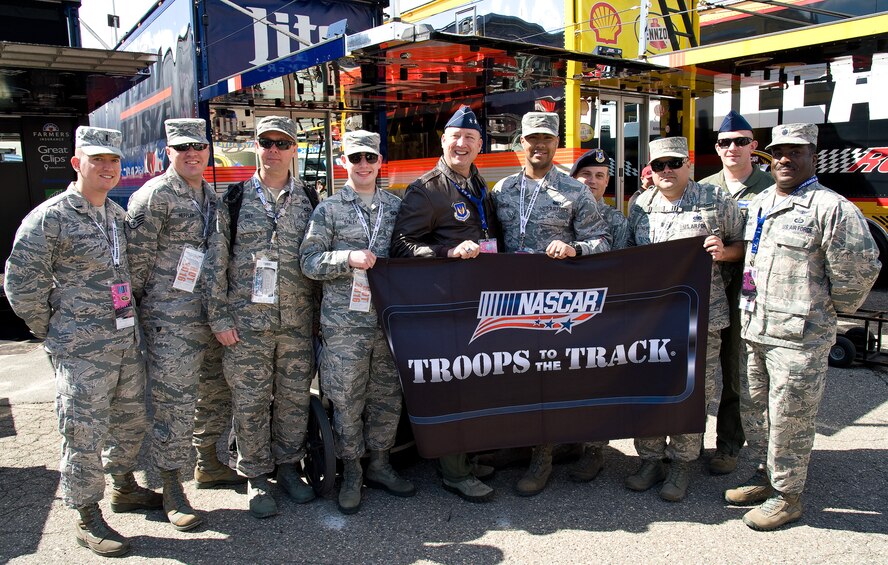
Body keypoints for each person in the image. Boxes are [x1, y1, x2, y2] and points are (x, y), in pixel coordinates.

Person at [5, 127, 160, 557]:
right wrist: (54, 328)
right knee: (83, 429)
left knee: (129, 419)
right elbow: (21, 283)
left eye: (113, 161)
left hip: (126, 340)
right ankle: (86, 513)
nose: (107, 168)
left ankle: (125, 486)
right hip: (81, 347)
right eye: (97, 161)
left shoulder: (115, 213)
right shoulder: (50, 217)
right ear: (77, 164)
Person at [726, 123, 879, 530]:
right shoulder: (761, 202)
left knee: (791, 416)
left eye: (796, 152)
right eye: (779, 152)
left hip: (799, 337)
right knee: (756, 411)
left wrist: (827, 311)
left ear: (814, 156)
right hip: (756, 327)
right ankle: (765, 475)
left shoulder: (832, 208)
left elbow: (860, 269)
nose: (785, 160)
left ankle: (787, 496)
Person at [126, 119, 244, 532]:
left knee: (214, 392)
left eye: (199, 146)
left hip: (212, 315)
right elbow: (134, 268)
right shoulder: (154, 197)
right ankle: (172, 486)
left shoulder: (209, 194)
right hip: (170, 320)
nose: (192, 153)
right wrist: (150, 314)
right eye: (183, 148)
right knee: (173, 405)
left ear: (208, 150)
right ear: (168, 153)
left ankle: (208, 462)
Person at [491, 113, 612, 496]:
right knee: (521, 380)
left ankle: (544, 458)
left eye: (546, 138)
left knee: (553, 379)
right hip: (513, 304)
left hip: (559, 307)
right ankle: (527, 444)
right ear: (520, 143)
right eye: (531, 138)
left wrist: (574, 247)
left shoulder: (574, 191)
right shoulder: (503, 190)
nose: (538, 145)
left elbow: (602, 241)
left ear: (556, 142)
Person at [206, 115, 318, 519]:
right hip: (246, 327)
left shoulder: (310, 198)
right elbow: (215, 263)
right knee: (250, 402)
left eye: (281, 143)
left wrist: (318, 321)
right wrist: (219, 318)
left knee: (292, 401)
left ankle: (288, 468)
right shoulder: (232, 200)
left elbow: (316, 261)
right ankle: (255, 476)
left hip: (296, 323)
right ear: (256, 146)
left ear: (293, 150)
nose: (273, 150)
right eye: (266, 142)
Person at [390, 105, 499, 503]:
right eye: (456, 136)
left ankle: (465, 459)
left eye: (470, 138)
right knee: (454, 383)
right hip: (445, 303)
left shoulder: (477, 184)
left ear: (479, 146)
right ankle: (454, 472)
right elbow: (401, 247)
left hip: (477, 301)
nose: (462, 143)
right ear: (443, 140)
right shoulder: (428, 188)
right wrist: (448, 252)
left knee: (475, 381)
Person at [300, 130, 413, 514]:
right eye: (355, 158)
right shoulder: (328, 210)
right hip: (344, 325)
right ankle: (351, 469)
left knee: (386, 394)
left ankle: (380, 463)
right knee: (346, 397)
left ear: (380, 162)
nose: (363, 165)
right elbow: (308, 262)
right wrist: (345, 257)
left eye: (370, 157)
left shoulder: (396, 208)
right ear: (343, 163)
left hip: (387, 321)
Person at [625, 136, 743, 502]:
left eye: (674, 163)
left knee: (693, 392)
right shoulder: (641, 205)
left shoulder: (716, 200)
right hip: (653, 320)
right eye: (659, 165)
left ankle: (682, 463)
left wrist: (723, 252)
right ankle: (650, 459)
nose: (667, 171)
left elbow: (741, 245)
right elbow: (629, 254)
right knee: (650, 389)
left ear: (688, 164)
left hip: (701, 317)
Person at [698, 110, 773, 475]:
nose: (733, 148)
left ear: (753, 147)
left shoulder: (771, 188)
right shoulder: (705, 187)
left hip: (750, 289)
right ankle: (689, 440)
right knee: (703, 367)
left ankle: (728, 445)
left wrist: (730, 252)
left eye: (741, 141)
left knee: (736, 369)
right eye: (725, 142)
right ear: (717, 148)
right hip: (709, 287)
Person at [570, 148, 629, 250]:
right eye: (586, 174)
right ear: (573, 178)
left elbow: (620, 260)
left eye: (599, 176)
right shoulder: (561, 212)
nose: (592, 181)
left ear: (606, 181)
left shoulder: (616, 220)